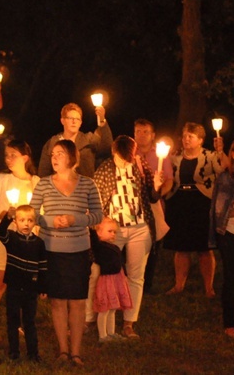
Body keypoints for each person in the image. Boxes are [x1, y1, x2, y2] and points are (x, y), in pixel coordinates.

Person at [30, 139, 103, 367]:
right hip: (51, 249)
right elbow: (32, 214)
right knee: (58, 301)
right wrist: (51, 221)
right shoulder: (43, 184)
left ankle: (76, 351)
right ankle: (63, 349)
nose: (54, 158)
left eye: (60, 153)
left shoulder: (87, 184)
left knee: (78, 301)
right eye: (53, 154)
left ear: (72, 158)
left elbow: (98, 215)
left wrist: (75, 219)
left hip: (78, 249)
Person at [91, 135, 162, 338]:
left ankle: (129, 323)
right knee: (101, 272)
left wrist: (156, 185)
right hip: (114, 229)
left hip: (140, 228)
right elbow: (97, 199)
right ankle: (93, 317)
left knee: (136, 275)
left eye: (128, 158)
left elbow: (152, 197)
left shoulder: (139, 164)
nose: (125, 162)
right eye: (122, 158)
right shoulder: (105, 169)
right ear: (114, 153)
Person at [0, 140, 40, 340]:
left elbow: (41, 211)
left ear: (25, 158)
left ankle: (19, 324)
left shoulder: (35, 181)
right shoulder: (1, 179)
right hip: (5, 236)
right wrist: (7, 213)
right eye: (6, 155)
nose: (9, 159)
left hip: (27, 238)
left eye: (13, 154)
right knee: (1, 280)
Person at [164, 122, 226, 297]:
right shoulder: (174, 157)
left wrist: (221, 152)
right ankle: (178, 285)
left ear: (200, 140)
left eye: (190, 136)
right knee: (181, 247)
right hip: (180, 203)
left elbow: (224, 172)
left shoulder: (210, 156)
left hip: (201, 204)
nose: (186, 139)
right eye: (184, 136)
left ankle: (209, 288)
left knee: (203, 247)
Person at [0, 205, 47, 361]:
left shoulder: (38, 243)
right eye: (22, 220)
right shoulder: (11, 238)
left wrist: (43, 287)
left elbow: (43, 266)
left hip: (31, 289)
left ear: (35, 223)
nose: (26, 224)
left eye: (30, 220)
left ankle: (33, 353)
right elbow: (0, 232)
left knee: (29, 321)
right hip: (14, 287)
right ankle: (14, 352)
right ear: (16, 222)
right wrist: (7, 217)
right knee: (13, 320)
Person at [134, 118, 174, 292]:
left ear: (153, 135)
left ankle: (147, 284)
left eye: (145, 132)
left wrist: (157, 195)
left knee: (153, 244)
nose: (141, 136)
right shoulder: (129, 152)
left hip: (154, 205)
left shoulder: (160, 155)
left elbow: (169, 180)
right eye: (138, 132)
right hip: (133, 205)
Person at [37, 102, 112, 177]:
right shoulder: (52, 143)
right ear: (62, 121)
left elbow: (107, 147)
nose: (74, 121)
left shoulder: (89, 140)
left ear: (81, 123)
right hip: (59, 187)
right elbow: (44, 172)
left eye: (77, 119)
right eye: (70, 118)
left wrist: (102, 120)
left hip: (85, 187)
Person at [90, 218, 132, 342]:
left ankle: (111, 332)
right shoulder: (100, 246)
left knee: (113, 308)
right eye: (110, 231)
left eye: (114, 232)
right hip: (107, 280)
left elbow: (120, 261)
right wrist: (92, 226)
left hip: (116, 279)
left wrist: (125, 274)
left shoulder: (114, 247)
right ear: (99, 232)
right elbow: (93, 239)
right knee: (105, 309)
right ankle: (102, 335)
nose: (113, 234)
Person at [210, 139, 234, 338]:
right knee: (231, 277)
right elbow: (220, 211)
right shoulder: (225, 178)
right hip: (229, 233)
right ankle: (229, 322)